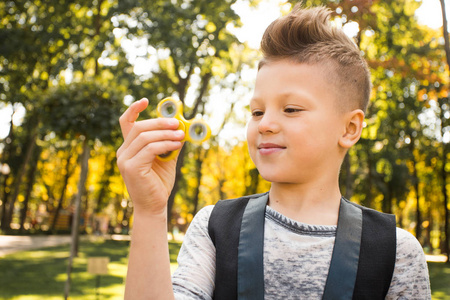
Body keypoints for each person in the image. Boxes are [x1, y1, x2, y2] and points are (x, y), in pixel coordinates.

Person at [117, 3, 431, 300]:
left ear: (349, 128)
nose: (264, 124)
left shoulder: (396, 252)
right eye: (256, 112)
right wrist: (149, 211)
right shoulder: (214, 227)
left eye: (291, 109)